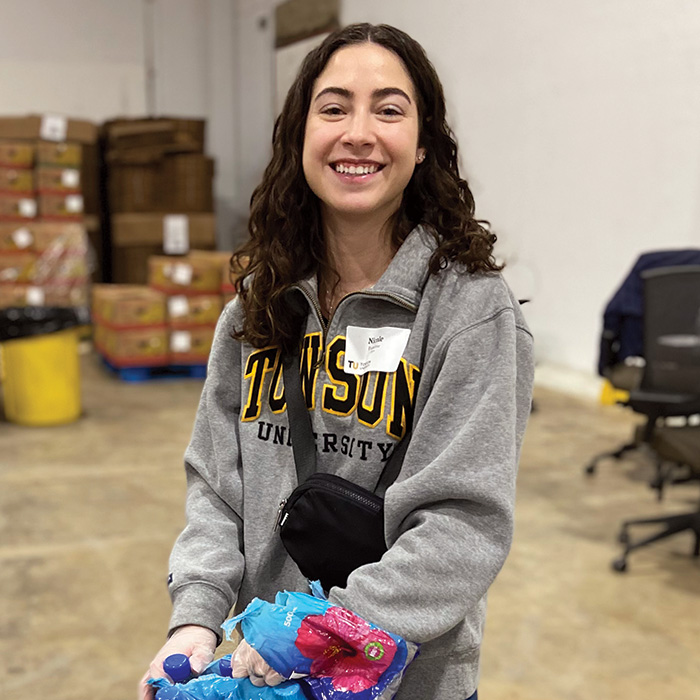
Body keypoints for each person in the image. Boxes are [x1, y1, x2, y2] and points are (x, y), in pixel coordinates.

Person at [140, 22, 534, 700]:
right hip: (261, 674)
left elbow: (462, 522)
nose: (358, 132)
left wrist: (337, 628)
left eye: (388, 108)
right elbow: (216, 484)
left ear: (422, 142)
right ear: (300, 137)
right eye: (333, 108)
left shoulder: (471, 312)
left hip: (403, 683)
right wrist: (196, 620)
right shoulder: (258, 308)